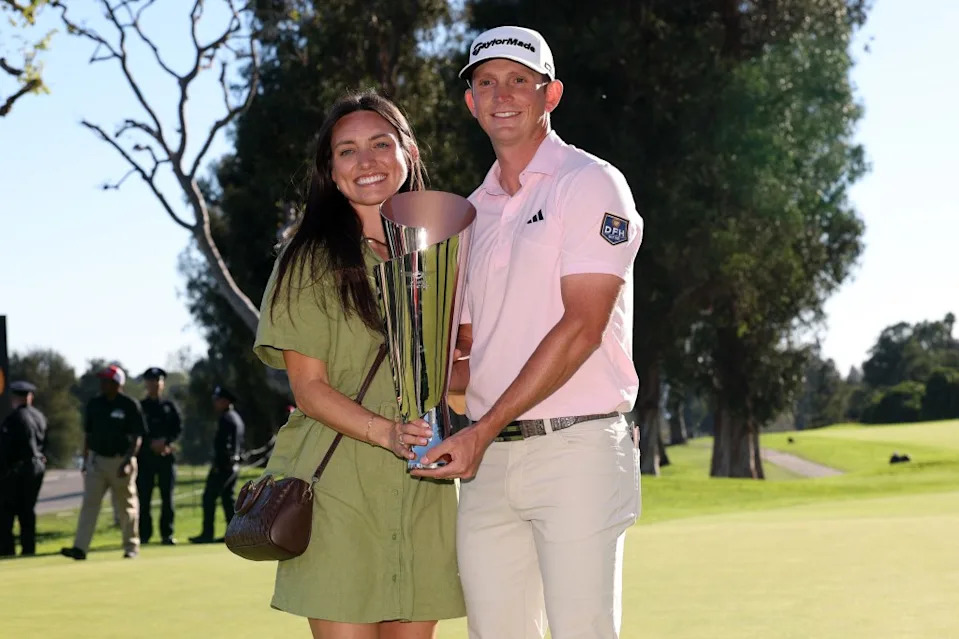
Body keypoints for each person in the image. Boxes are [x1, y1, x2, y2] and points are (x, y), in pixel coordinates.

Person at [412, 27, 644, 639]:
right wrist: (403, 395)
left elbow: (583, 326)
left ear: (551, 95)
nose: (502, 94)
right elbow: (468, 349)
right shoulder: (468, 214)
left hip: (577, 450)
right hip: (489, 464)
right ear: (470, 102)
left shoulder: (591, 183)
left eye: (521, 80)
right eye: (486, 82)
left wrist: (479, 429)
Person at [252, 91, 465, 638]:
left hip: (425, 494)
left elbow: (459, 375)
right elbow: (309, 389)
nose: (365, 161)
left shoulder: (445, 253)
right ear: (331, 170)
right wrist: (387, 432)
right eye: (346, 151)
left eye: (379, 144)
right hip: (340, 493)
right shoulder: (308, 261)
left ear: (408, 152)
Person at [62, 365, 145, 560]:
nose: (102, 384)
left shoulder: (129, 405)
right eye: (102, 380)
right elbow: (88, 435)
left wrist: (128, 461)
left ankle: (131, 548)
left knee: (127, 506)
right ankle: (80, 548)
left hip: (121, 462)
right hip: (97, 462)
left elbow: (137, 437)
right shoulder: (95, 404)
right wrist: (85, 460)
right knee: (89, 505)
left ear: (117, 384)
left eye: (106, 381)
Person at [189, 385, 244, 544]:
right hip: (232, 466)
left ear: (226, 401)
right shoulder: (236, 418)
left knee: (209, 498)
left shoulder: (226, 418)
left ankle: (208, 533)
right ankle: (233, 533)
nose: (215, 403)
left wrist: (219, 464)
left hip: (223, 466)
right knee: (227, 499)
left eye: (218, 400)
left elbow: (225, 445)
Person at [0, 380, 47, 556]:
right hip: (37, 467)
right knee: (28, 510)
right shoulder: (39, 416)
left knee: (7, 512)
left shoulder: (15, 419)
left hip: (18, 469)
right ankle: (29, 548)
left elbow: (7, 448)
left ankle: (7, 550)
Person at [137, 367, 182, 545]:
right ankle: (144, 535)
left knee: (167, 498)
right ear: (146, 384)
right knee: (144, 499)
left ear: (162, 384)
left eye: (158, 381)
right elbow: (137, 430)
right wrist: (151, 444)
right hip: (146, 458)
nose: (154, 384)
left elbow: (178, 429)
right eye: (150, 381)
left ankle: (167, 534)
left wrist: (166, 442)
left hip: (166, 458)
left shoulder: (170, 407)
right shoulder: (141, 407)